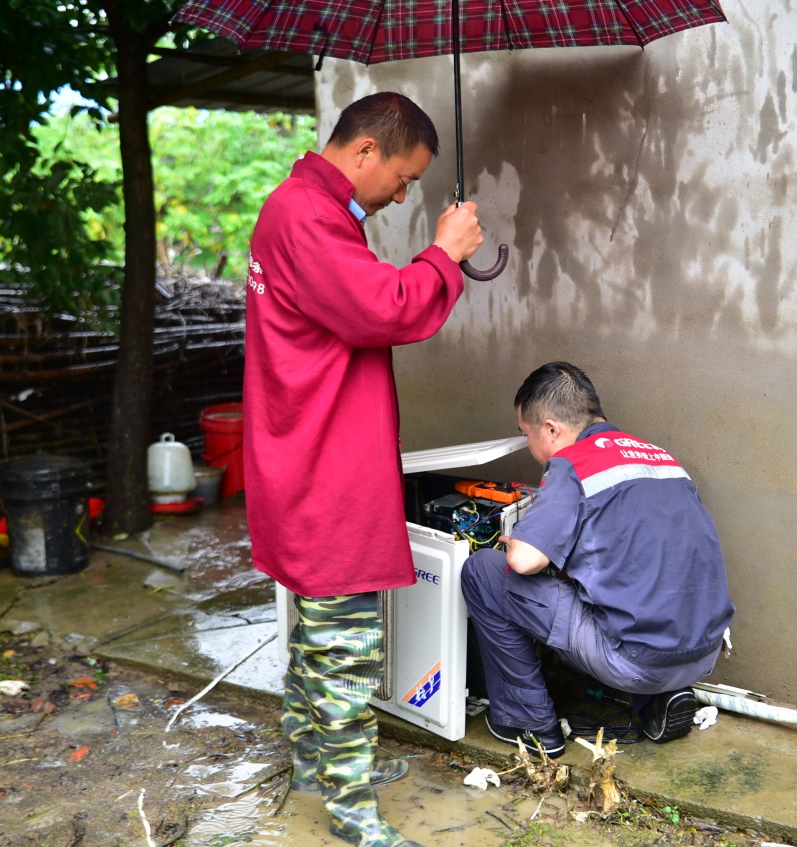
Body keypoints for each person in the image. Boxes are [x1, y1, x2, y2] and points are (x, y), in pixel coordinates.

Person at [242, 92, 484, 847]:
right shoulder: (308, 217)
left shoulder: (304, 209)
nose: (402, 196)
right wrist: (444, 253)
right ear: (366, 151)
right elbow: (384, 307)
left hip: (306, 455)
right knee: (346, 645)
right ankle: (352, 812)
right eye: (404, 179)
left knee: (316, 631)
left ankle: (315, 765)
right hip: (323, 468)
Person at [461, 362, 734, 758]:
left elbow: (523, 561)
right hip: (703, 653)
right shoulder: (661, 457)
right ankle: (660, 700)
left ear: (551, 429)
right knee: (618, 588)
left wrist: (519, 540)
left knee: (483, 571)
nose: (529, 444)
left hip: (637, 662)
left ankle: (527, 721)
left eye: (526, 434)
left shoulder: (574, 463)